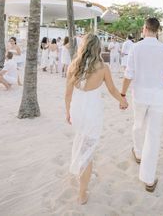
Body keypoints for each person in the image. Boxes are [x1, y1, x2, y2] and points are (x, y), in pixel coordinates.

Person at [65, 33, 128, 205]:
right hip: (92, 112)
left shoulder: (73, 66)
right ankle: (82, 193)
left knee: (81, 141)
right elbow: (113, 90)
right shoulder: (103, 68)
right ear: (97, 48)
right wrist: (123, 101)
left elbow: (68, 94)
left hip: (77, 110)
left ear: (83, 47)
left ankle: (81, 172)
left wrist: (68, 112)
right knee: (88, 149)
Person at [121, 18, 163, 192]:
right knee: (153, 136)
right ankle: (149, 179)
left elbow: (129, 73)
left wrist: (122, 94)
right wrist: (161, 75)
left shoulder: (136, 48)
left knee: (138, 125)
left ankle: (137, 152)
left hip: (140, 95)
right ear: (157, 30)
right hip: (158, 97)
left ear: (145, 29)